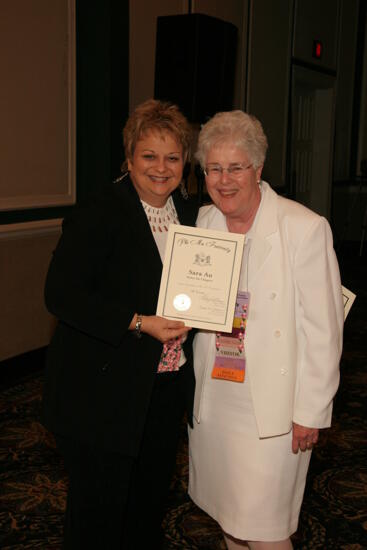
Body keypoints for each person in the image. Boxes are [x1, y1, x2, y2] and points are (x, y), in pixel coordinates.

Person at [42, 99, 198, 549]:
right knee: (98, 516)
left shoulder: (190, 215)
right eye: (149, 155)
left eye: (172, 157)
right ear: (129, 157)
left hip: (164, 387)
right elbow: (61, 295)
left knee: (147, 506)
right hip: (102, 392)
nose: (161, 168)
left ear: (184, 162)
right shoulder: (100, 212)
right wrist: (137, 322)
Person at [188, 110, 344, 550]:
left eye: (235, 167)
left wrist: (310, 411)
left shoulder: (303, 228)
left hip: (273, 409)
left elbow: (324, 330)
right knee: (229, 519)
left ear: (258, 168)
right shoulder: (205, 222)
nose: (224, 180)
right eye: (214, 168)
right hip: (217, 397)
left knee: (266, 529)